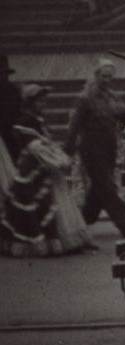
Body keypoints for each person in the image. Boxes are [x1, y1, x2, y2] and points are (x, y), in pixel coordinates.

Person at [1, 84, 94, 256]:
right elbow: (36, 148)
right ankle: (43, 244)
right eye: (39, 101)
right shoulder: (25, 122)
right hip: (32, 168)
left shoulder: (37, 120)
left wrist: (58, 157)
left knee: (55, 202)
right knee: (40, 203)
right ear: (30, 102)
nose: (43, 104)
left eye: (44, 101)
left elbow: (46, 145)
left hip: (45, 166)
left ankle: (68, 239)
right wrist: (60, 160)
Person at [64, 58, 125, 239]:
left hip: (108, 147)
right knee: (106, 187)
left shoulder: (111, 96)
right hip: (91, 148)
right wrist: (67, 150)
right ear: (96, 75)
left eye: (110, 77)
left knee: (98, 190)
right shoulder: (85, 98)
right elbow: (74, 126)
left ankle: (83, 220)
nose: (107, 80)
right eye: (104, 76)